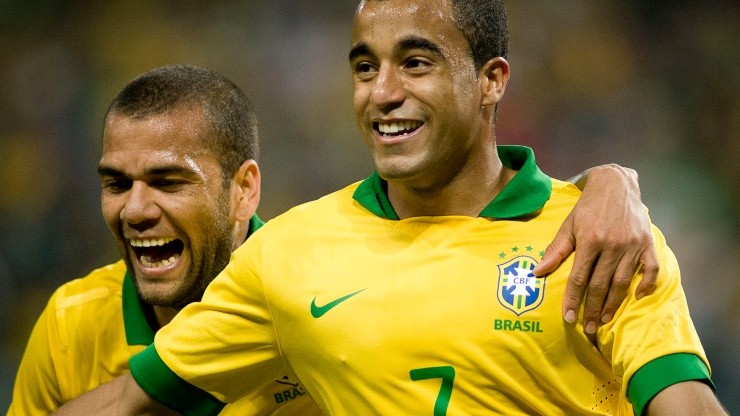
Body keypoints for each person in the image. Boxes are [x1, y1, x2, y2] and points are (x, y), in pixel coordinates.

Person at [53, 1, 728, 415]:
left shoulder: (602, 235)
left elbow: (684, 403)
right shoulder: (287, 254)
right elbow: (134, 399)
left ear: (491, 80)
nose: (383, 92)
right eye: (365, 67)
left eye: (416, 62)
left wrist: (608, 179)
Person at [9, 65, 321, 415]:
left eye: (168, 182)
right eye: (117, 184)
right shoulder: (69, 327)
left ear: (243, 190)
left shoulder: (321, 302)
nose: (134, 211)